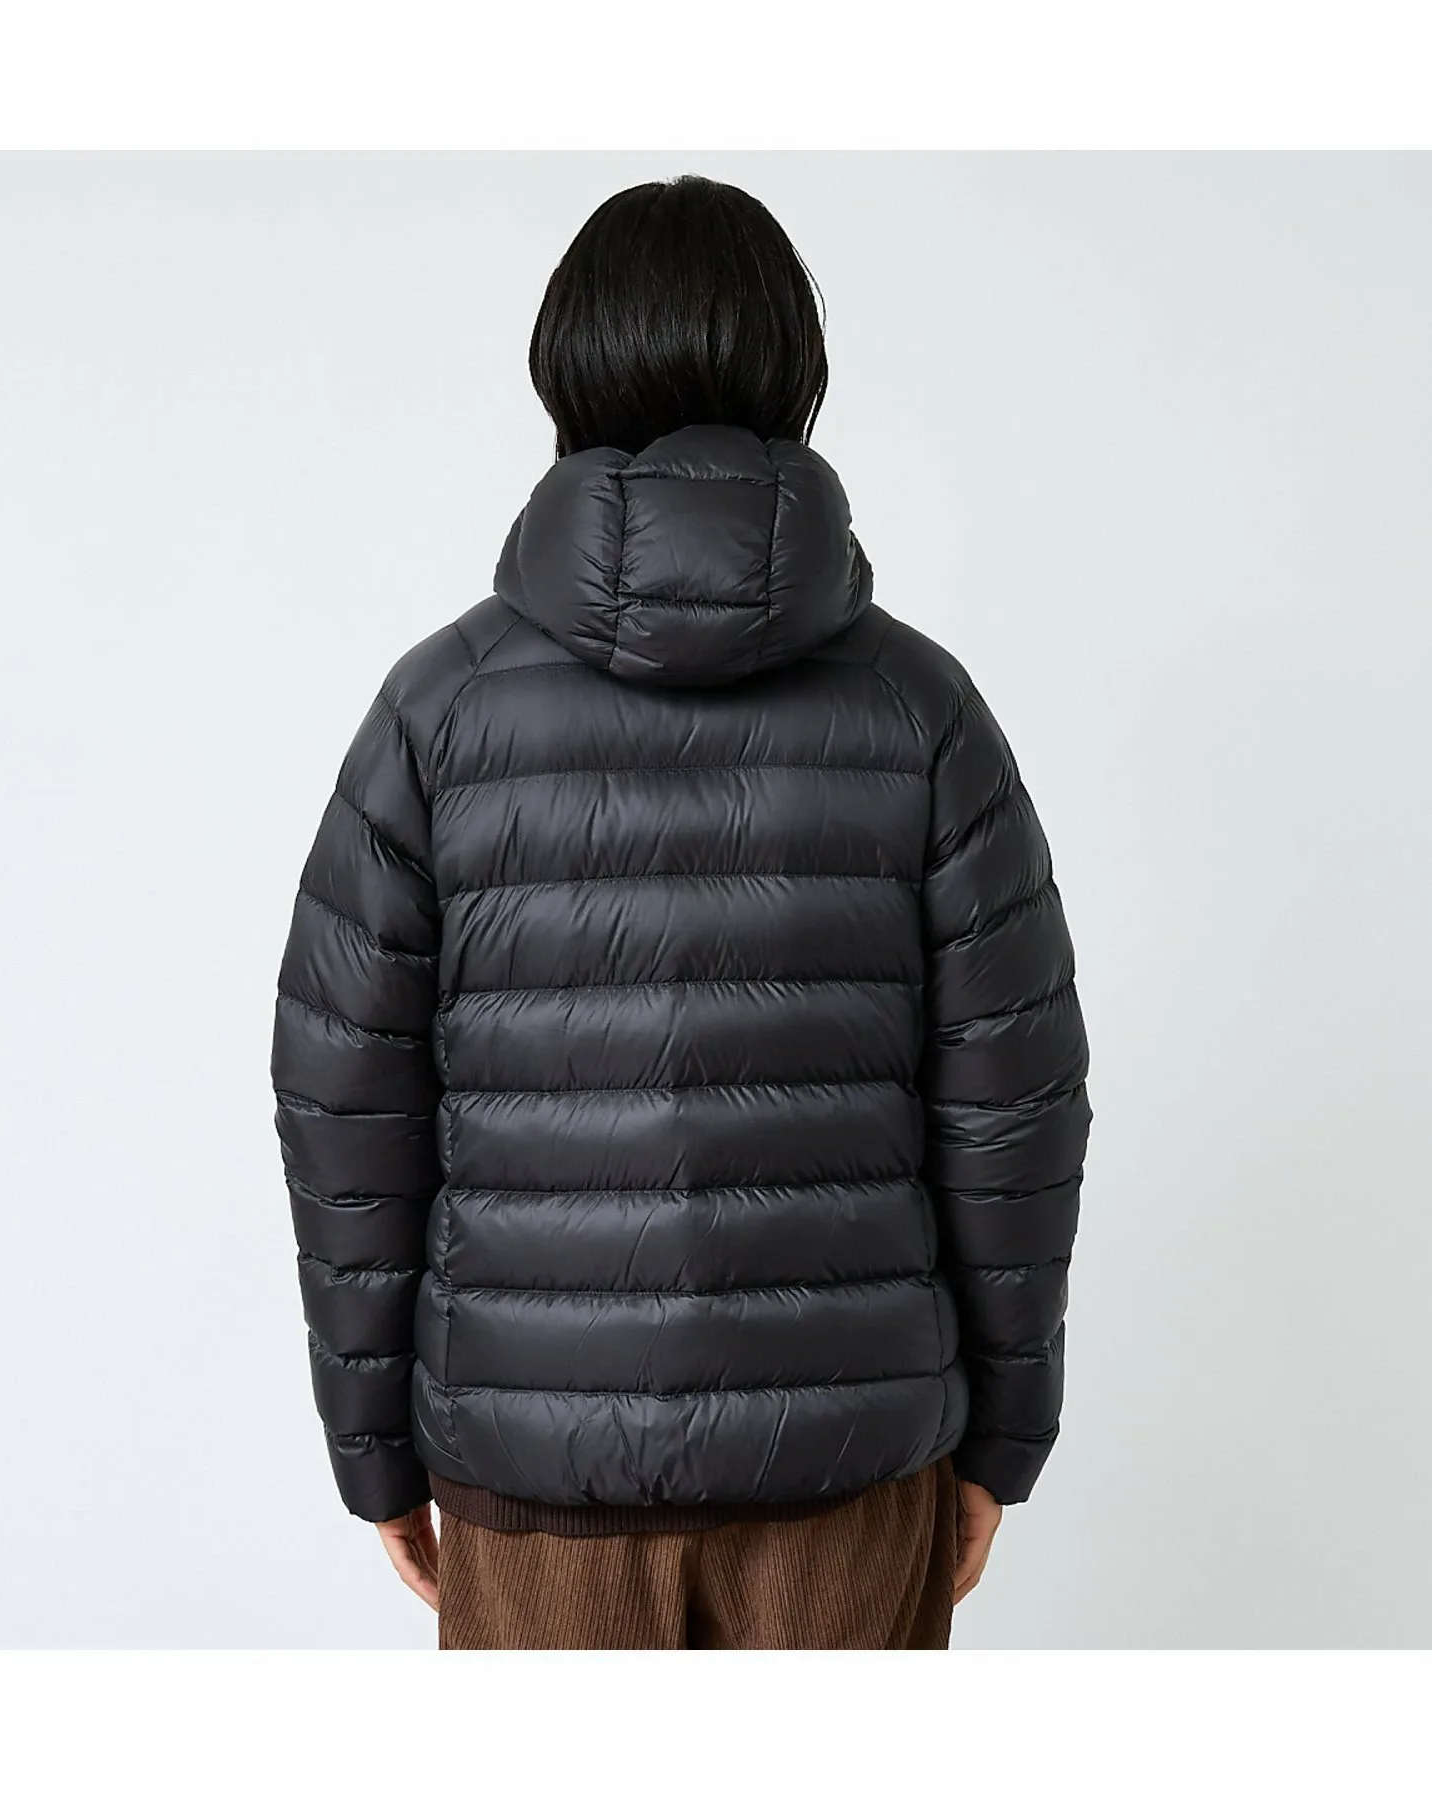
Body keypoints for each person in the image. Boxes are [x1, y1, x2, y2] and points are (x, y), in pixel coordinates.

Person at [269, 173, 1092, 1651]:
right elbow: (1015, 1102)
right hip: (852, 1471)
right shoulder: (922, 711)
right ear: (794, 373)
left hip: (534, 1473)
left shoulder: (437, 712)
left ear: (564, 372)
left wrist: (374, 1444)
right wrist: (1002, 1435)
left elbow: (345, 1101)